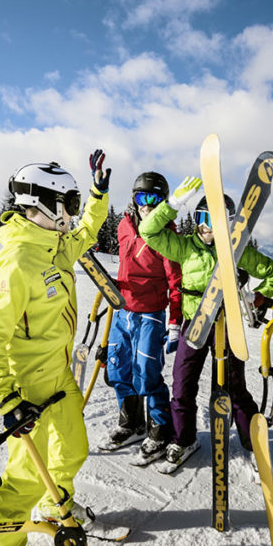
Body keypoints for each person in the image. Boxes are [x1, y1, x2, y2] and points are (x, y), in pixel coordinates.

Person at [0, 152, 110, 546]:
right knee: (24, 479)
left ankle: (55, 508)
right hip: (29, 388)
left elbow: (88, 229)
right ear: (45, 203)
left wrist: (97, 194)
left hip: (59, 376)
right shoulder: (17, 263)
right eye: (66, 203)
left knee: (72, 449)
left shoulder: (54, 249)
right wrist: (6, 398)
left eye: (72, 202)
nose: (71, 212)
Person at [139, 179, 273, 467]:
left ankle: (251, 441)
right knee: (182, 384)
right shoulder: (184, 248)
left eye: (215, 220)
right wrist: (171, 205)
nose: (207, 227)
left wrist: (258, 298)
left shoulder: (238, 250)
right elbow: (148, 231)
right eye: (202, 218)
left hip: (227, 325)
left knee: (234, 385)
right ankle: (183, 439)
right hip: (195, 322)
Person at [103, 172, 183, 450]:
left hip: (150, 313)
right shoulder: (124, 227)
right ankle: (131, 423)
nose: (146, 205)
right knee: (117, 369)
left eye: (154, 199)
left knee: (146, 372)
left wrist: (174, 322)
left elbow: (176, 282)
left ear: (162, 203)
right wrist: (113, 285)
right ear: (134, 199)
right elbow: (127, 267)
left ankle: (159, 429)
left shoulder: (167, 235)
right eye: (141, 197)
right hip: (122, 310)